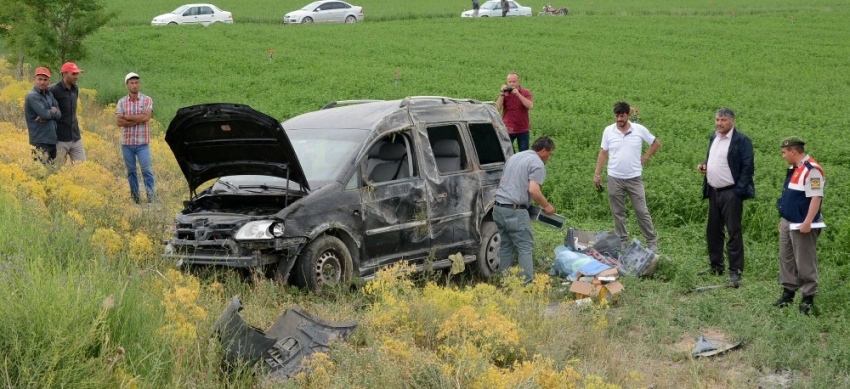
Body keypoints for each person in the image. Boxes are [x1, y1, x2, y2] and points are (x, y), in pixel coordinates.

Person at [697, 108, 754, 286]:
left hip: (731, 193)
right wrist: (705, 165)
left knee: (733, 232)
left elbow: (748, 168)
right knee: (713, 230)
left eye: (723, 120)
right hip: (714, 190)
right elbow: (713, 159)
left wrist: (738, 192)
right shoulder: (714, 137)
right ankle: (716, 265)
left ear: (732, 121)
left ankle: (735, 271)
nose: (719, 123)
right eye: (717, 119)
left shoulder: (741, 141)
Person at [593, 101, 660, 250]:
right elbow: (603, 152)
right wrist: (597, 174)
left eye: (622, 116)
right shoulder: (608, 131)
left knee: (641, 210)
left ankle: (651, 241)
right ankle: (622, 240)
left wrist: (645, 158)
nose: (619, 119)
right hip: (614, 177)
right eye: (617, 116)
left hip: (634, 178)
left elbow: (656, 143)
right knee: (618, 211)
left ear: (628, 115)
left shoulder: (639, 129)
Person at [494, 135, 555, 285]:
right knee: (525, 246)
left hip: (498, 207)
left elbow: (502, 181)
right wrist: (547, 206)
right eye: (550, 153)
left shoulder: (514, 157)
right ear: (543, 151)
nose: (549, 157)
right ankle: (526, 285)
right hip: (515, 211)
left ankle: (506, 282)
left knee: (506, 246)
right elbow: (533, 190)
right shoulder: (537, 163)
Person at [774, 136, 824, 315]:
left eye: (784, 152)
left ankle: (808, 299)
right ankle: (788, 293)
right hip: (789, 223)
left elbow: (816, 197)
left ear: (793, 151)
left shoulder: (812, 170)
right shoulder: (795, 168)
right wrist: (784, 219)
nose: (783, 156)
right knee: (786, 258)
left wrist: (808, 222)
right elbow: (791, 197)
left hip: (802, 224)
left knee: (804, 261)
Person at [116, 72, 155, 204]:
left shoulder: (147, 100)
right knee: (131, 171)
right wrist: (139, 118)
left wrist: (127, 116)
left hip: (143, 142)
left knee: (146, 170)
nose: (134, 85)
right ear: (127, 85)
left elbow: (147, 118)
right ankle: (136, 199)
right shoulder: (121, 102)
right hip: (127, 143)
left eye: (136, 82)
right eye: (131, 83)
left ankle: (151, 197)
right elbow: (119, 122)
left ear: (140, 84)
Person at [48, 62, 86, 164]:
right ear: (64, 74)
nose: (76, 77)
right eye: (73, 74)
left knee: (82, 169)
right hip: (59, 138)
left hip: (75, 136)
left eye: (77, 74)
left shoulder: (75, 89)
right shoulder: (53, 89)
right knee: (58, 170)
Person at [24, 67, 61, 164]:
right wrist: (53, 112)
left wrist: (50, 114)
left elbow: (59, 114)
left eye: (45, 80)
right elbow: (44, 114)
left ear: (49, 81)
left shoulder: (49, 94)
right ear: (34, 80)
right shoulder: (32, 95)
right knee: (41, 172)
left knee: (51, 172)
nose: (42, 82)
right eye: (39, 79)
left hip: (51, 139)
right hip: (40, 141)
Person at [495, 72, 533, 152]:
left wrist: (518, 94)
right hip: (508, 129)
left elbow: (530, 106)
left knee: (524, 153)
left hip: (522, 128)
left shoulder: (525, 93)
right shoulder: (505, 94)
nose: (512, 84)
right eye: (510, 82)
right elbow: (497, 108)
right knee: (508, 153)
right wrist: (502, 94)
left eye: (514, 81)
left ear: (518, 81)